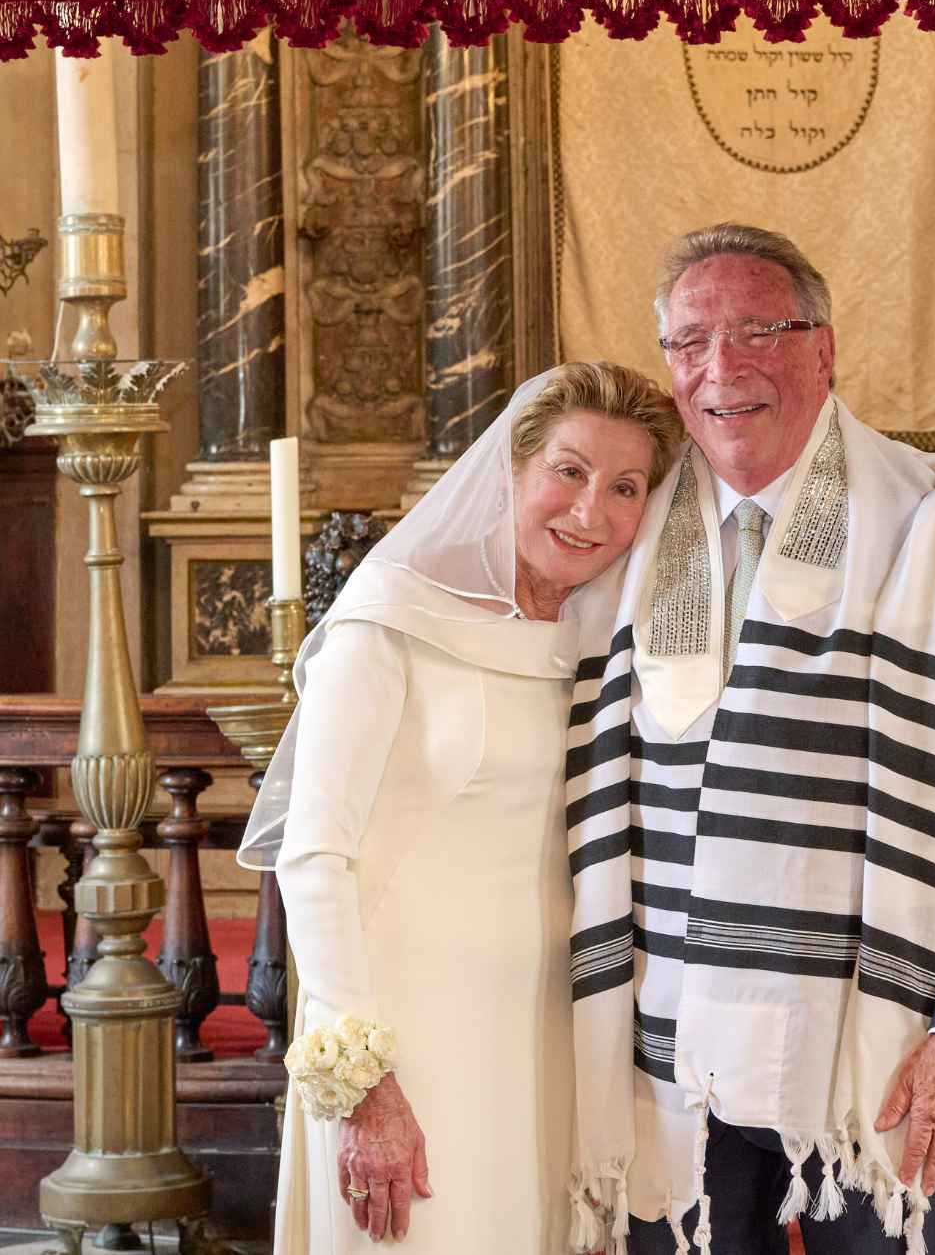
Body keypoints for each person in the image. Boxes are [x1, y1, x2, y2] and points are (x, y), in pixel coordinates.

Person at [566, 226, 935, 1255]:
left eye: (759, 331)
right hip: (662, 1044)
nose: (721, 367)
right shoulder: (620, 525)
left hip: (871, 1039)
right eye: (690, 341)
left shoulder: (934, 516)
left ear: (823, 349)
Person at [237, 361, 683, 1254]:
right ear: (511, 470)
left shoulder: (616, 648)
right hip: (408, 1026)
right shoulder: (388, 623)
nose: (589, 510)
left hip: (553, 1027)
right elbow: (314, 854)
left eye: (625, 487)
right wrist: (366, 1081)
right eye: (568, 471)